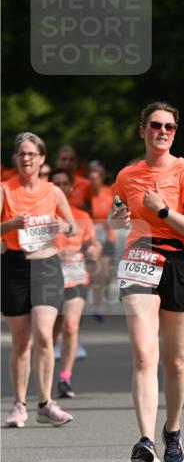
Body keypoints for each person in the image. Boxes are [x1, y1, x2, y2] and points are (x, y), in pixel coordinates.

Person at [110, 101, 184, 462]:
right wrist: (117, 218)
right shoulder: (126, 175)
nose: (162, 131)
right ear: (143, 130)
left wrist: (164, 210)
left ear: (174, 132)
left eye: (168, 126)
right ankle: (145, 440)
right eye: (155, 125)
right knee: (143, 353)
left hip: (181, 263)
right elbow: (119, 215)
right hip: (139, 259)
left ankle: (173, 429)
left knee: (176, 360)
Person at [1, 132, 76, 427]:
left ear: (42, 158)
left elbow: (71, 227)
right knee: (21, 342)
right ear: (15, 158)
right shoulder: (5, 190)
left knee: (44, 335)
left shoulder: (52, 191)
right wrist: (11, 223)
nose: (26, 158)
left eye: (32, 154)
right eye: (21, 153)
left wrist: (62, 224)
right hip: (14, 266)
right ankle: (19, 404)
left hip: (46, 265)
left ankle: (45, 402)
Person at [50, 167, 101, 397]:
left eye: (64, 184)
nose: (60, 188)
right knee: (47, 336)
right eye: (55, 184)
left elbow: (94, 244)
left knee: (70, 327)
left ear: (71, 188)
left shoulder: (82, 216)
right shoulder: (43, 216)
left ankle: (65, 379)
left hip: (76, 277)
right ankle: (44, 378)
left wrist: (93, 249)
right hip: (48, 280)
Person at [87, 161, 116, 319]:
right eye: (90, 178)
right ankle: (95, 303)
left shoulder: (108, 193)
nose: (93, 181)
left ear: (101, 179)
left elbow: (114, 214)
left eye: (96, 178)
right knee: (94, 272)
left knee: (103, 273)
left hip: (106, 237)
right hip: (91, 238)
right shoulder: (86, 195)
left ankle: (99, 304)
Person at [55, 145, 91, 210]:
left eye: (72, 160)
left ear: (76, 163)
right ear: (57, 162)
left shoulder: (86, 184)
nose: (68, 162)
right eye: (64, 159)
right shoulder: (50, 184)